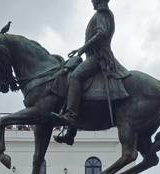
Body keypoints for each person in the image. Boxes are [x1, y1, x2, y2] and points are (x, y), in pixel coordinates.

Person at [51, 0, 129, 129]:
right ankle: (71, 131)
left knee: (76, 76)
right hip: (94, 55)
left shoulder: (102, 12)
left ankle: (70, 116)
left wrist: (82, 49)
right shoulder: (101, 13)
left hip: (99, 56)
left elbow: (102, 34)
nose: (91, 1)